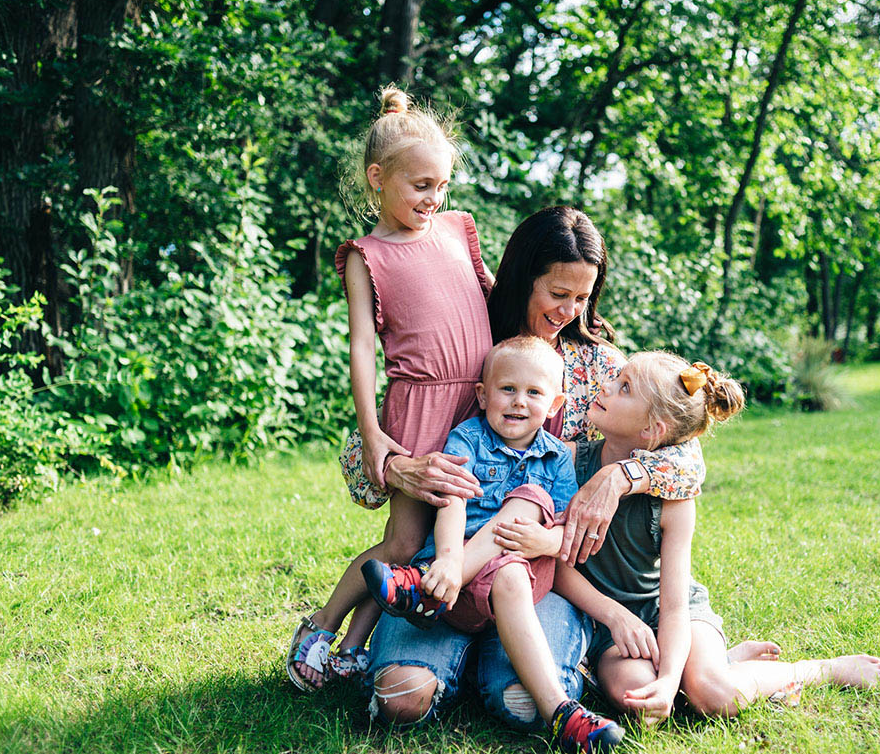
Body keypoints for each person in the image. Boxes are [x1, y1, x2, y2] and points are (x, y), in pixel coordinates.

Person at [355, 207, 711, 737]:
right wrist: (399, 467)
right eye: (558, 292)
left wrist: (620, 477)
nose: (569, 310)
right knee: (400, 699)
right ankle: (448, 652)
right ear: (525, 277)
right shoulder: (475, 342)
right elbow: (378, 438)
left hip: (541, 577)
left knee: (522, 705)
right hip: (445, 557)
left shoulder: (600, 366)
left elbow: (687, 456)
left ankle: (509, 672)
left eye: (583, 297)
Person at [496, 352, 880, 725]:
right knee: (638, 698)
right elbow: (558, 562)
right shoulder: (566, 462)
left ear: (652, 430)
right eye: (617, 378)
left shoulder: (674, 500)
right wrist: (615, 617)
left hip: (671, 614)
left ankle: (810, 671)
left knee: (712, 696)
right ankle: (718, 661)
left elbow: (673, 607)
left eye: (624, 388)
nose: (606, 385)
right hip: (606, 623)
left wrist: (670, 680)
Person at [285, 86, 492, 692]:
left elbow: (494, 299)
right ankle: (321, 626)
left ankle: (355, 647)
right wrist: (373, 433)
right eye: (420, 185)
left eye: (443, 185)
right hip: (419, 404)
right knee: (404, 539)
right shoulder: (366, 255)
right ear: (378, 178)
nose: (434, 198)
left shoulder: (458, 230)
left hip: (475, 403)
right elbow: (360, 349)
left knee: (440, 539)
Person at [363, 336, 624, 751]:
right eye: (508, 389)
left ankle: (559, 712)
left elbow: (566, 533)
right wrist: (449, 559)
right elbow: (453, 503)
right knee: (399, 702)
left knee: (528, 508)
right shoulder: (466, 439)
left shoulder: (557, 458)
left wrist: (544, 538)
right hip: (454, 584)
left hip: (515, 581)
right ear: (483, 396)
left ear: (554, 405)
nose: (519, 402)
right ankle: (441, 599)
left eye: (534, 393)